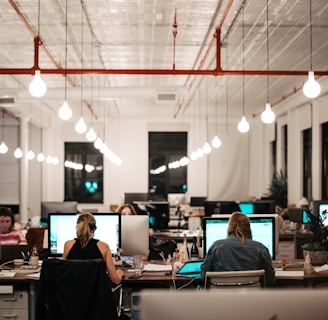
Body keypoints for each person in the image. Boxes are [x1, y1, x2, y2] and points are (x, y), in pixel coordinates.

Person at [201, 211, 276, 287]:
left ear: (230, 227)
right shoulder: (260, 249)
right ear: (248, 228)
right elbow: (269, 280)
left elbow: (204, 276)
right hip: (252, 297)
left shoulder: (216, 247)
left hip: (221, 297)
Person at [63, 212, 124, 285]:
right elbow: (116, 280)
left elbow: (63, 274)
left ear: (78, 227)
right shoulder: (103, 247)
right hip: (97, 295)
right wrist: (119, 273)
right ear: (95, 228)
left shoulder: (68, 245)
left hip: (72, 295)